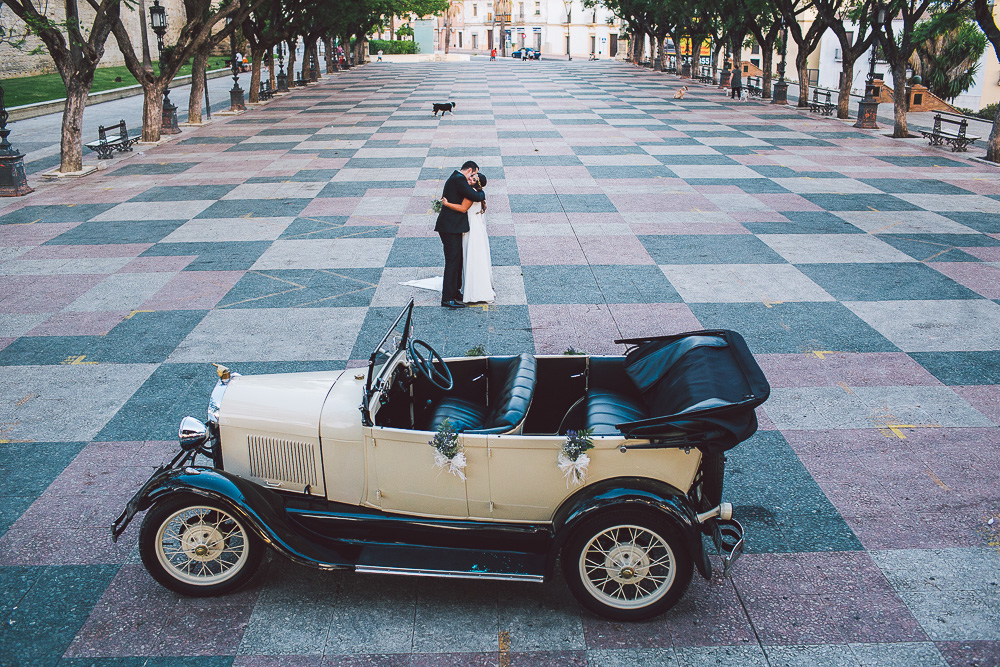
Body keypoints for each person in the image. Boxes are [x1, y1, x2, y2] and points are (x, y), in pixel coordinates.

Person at [435, 161, 485, 308]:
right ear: (469, 170)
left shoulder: (455, 177)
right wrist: (482, 192)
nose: (474, 176)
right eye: (474, 173)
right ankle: (448, 298)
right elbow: (475, 196)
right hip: (449, 227)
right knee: (452, 262)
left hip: (452, 227)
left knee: (457, 261)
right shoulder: (459, 179)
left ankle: (455, 292)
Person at [442, 174, 494, 304]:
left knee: (471, 256)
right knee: (476, 257)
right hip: (477, 227)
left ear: (478, 183)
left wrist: (446, 204)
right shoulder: (478, 194)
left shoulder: (472, 194)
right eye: (471, 177)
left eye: (473, 179)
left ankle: (472, 290)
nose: (470, 180)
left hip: (471, 228)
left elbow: (463, 208)